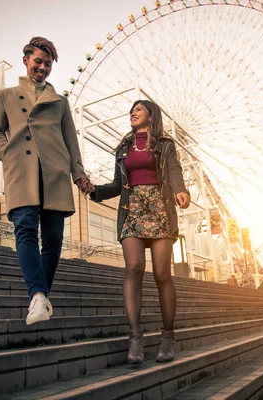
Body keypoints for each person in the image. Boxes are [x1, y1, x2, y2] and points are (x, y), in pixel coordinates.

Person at [0, 37, 94, 325]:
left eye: (48, 64)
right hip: (21, 173)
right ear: (26, 60)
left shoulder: (60, 103)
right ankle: (37, 295)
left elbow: (72, 142)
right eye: (38, 61)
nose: (43, 67)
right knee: (24, 230)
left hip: (55, 174)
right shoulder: (4, 96)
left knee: (54, 238)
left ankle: (40, 297)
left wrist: (79, 174)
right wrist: (7, 154)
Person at [90, 100, 190, 364]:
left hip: (159, 209)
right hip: (131, 209)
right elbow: (116, 184)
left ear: (151, 115)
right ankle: (135, 338)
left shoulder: (165, 145)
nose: (132, 113)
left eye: (139, 110)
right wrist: (94, 191)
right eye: (131, 110)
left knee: (161, 273)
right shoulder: (123, 149)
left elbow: (173, 171)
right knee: (133, 267)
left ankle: (168, 337)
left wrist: (181, 190)